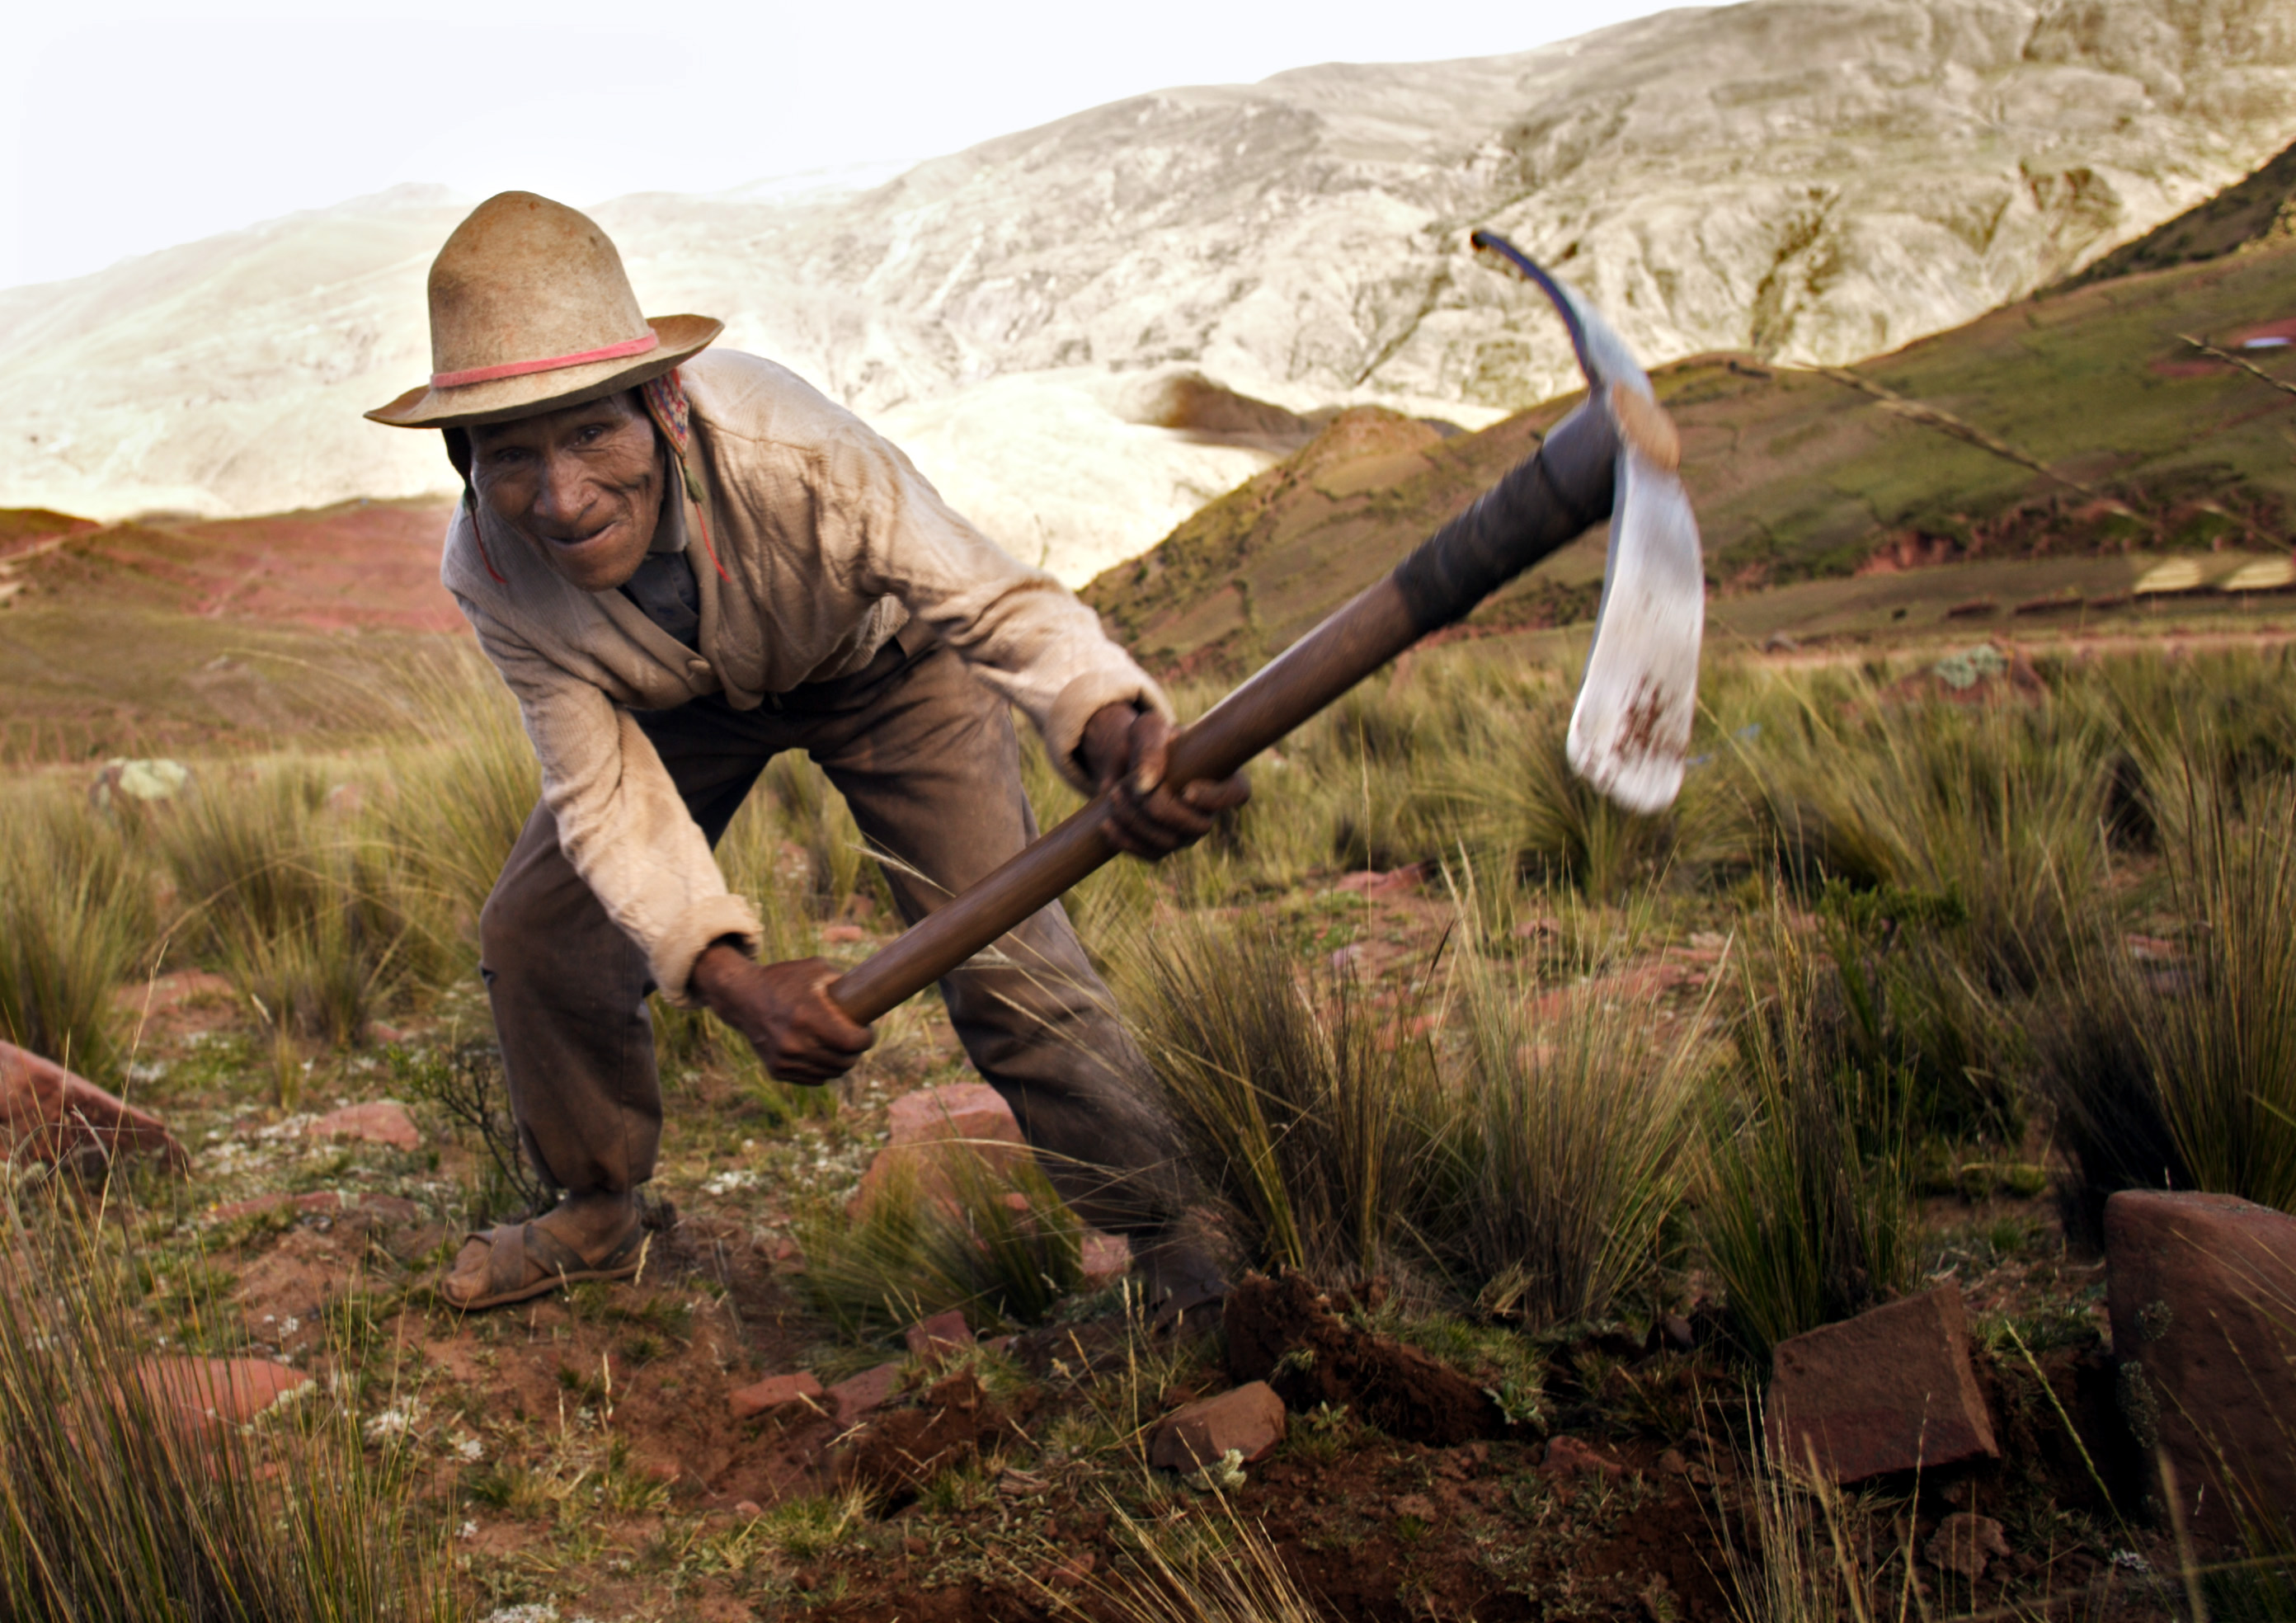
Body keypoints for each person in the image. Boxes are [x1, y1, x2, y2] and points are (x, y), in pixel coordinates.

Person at [365, 191, 1245, 1315]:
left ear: (665, 403)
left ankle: (1164, 1225)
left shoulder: (796, 452)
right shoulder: (489, 569)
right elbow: (605, 796)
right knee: (537, 930)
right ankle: (598, 1209)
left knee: (1004, 946)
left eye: (593, 429)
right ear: (461, 461)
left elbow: (990, 600)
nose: (564, 497)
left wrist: (1115, 729)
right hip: (679, 709)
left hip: (888, 675)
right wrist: (732, 982)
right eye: (509, 453)